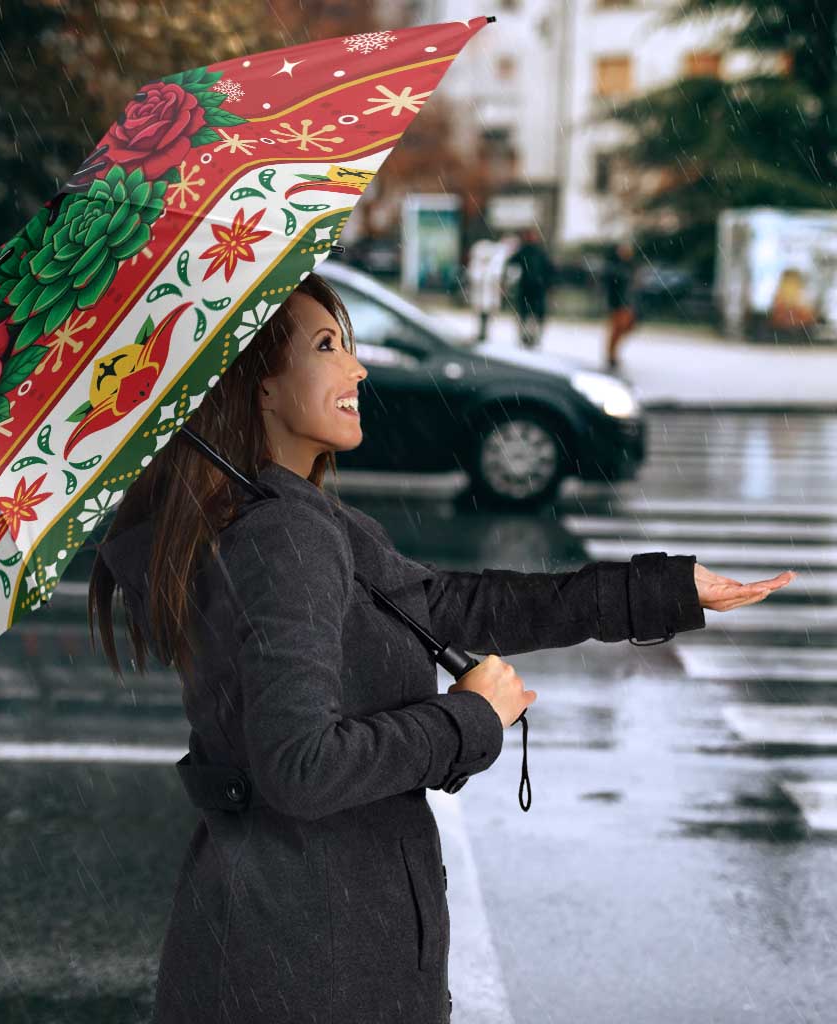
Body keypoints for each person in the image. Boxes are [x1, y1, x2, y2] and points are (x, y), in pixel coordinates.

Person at [87, 271, 775, 1024]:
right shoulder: (283, 536)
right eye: (327, 347)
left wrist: (663, 590)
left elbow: (448, 604)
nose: (358, 368)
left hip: (286, 941)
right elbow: (300, 768)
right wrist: (471, 720)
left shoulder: (279, 517)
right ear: (260, 386)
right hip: (315, 963)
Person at [505, 226, 555, 349]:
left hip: (536, 288)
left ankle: (532, 337)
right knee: (526, 314)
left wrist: (548, 284)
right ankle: (526, 337)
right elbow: (511, 264)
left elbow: (549, 270)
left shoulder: (538, 252)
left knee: (533, 315)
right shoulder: (525, 251)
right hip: (528, 288)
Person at [603, 239, 639, 371]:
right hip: (618, 303)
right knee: (617, 329)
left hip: (627, 303)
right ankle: (611, 355)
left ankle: (613, 354)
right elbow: (612, 286)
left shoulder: (630, 266)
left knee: (625, 328)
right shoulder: (615, 267)